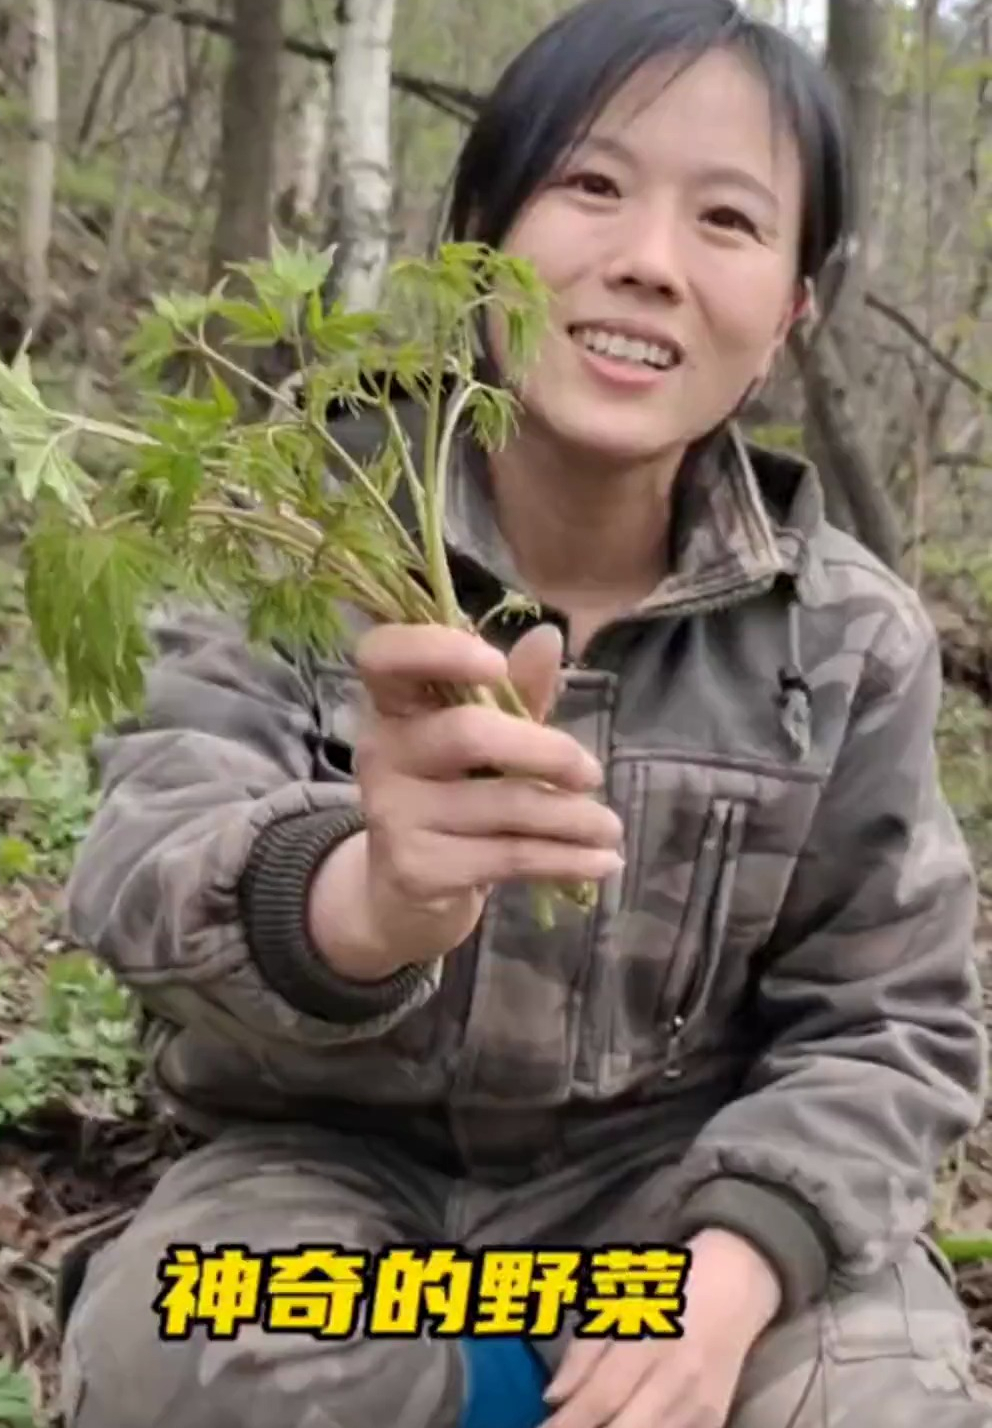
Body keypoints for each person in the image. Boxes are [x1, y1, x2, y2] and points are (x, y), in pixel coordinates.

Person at [55, 1, 991, 1425]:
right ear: (476, 230)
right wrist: (361, 901)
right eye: (591, 185)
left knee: (885, 1395)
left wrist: (740, 1265)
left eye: (730, 222)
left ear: (795, 307)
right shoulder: (295, 529)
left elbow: (891, 1020)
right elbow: (136, 863)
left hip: (670, 1207)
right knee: (180, 1346)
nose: (647, 263)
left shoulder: (845, 636)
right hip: (341, 1191)